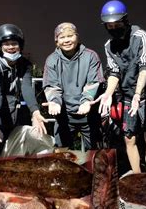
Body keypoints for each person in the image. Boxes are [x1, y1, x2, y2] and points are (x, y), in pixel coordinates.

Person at [97, 0, 146, 173]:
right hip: (126, 96)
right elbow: (114, 72)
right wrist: (108, 94)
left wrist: (138, 94)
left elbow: (144, 67)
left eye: (117, 24)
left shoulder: (141, 36)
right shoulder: (109, 46)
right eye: (110, 26)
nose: (114, 28)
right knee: (129, 137)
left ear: (125, 21)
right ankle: (137, 177)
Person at [0, 24, 47, 158]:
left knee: (20, 154)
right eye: (6, 44)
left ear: (20, 45)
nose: (11, 47)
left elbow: (27, 88)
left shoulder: (25, 64)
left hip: (17, 115)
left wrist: (35, 112)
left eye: (14, 43)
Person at [42, 22, 104, 151]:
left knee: (96, 157)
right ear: (57, 41)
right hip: (64, 114)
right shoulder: (52, 60)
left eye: (70, 36)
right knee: (62, 155)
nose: (67, 40)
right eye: (62, 37)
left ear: (77, 37)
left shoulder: (90, 56)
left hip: (89, 114)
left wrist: (86, 100)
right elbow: (51, 85)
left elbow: (93, 82)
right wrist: (54, 101)